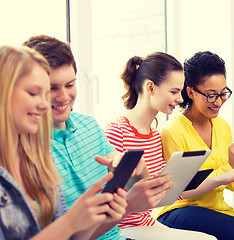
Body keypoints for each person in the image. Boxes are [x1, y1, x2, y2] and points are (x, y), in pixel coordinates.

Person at [23, 35, 174, 240]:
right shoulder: (24, 148)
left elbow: (120, 162)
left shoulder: (90, 126)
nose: (63, 97)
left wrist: (134, 168)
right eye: (52, 88)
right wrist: (128, 206)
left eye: (69, 85)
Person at [0, 45, 127, 240]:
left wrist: (93, 217)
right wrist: (71, 222)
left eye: (45, 94)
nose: (44, 105)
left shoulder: (38, 160)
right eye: (34, 93)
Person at [153, 51, 234, 240]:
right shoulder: (173, 132)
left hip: (215, 210)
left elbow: (229, 182)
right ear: (191, 92)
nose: (218, 102)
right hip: (179, 210)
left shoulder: (221, 126)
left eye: (223, 93)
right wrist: (230, 165)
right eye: (211, 95)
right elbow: (183, 191)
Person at [104, 52, 218, 240]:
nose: (180, 99)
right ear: (150, 87)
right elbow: (107, 194)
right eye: (174, 92)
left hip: (147, 223)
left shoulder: (155, 136)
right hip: (121, 228)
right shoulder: (117, 132)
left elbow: (158, 197)